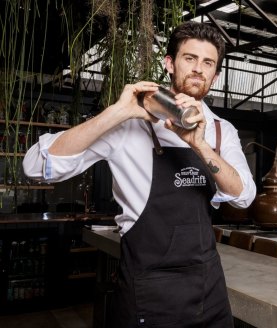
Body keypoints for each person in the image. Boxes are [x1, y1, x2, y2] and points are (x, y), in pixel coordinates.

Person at [22, 22, 256, 327]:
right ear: (169, 63)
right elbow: (38, 167)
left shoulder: (222, 131)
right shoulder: (130, 125)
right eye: (190, 58)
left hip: (208, 290)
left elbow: (244, 197)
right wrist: (118, 112)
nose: (198, 69)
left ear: (215, 75)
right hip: (149, 293)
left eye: (208, 62)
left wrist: (200, 146)